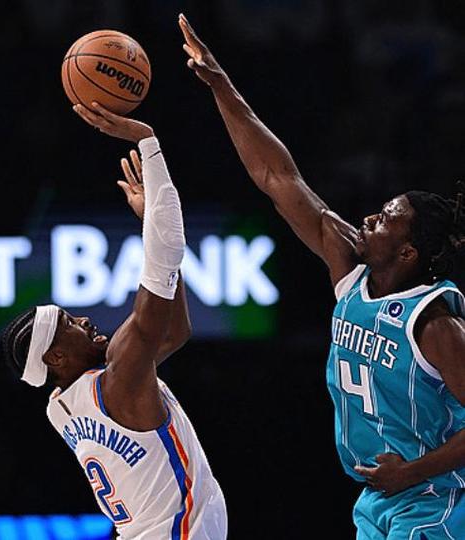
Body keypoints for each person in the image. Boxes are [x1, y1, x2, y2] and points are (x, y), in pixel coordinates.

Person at [177, 12, 465, 540]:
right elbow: (276, 176)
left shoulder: (436, 324)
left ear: (407, 253)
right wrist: (222, 86)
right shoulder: (351, 271)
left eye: (386, 219)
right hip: (378, 501)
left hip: (436, 500)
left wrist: (413, 472)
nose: (369, 218)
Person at [2, 103, 228, 540]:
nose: (84, 319)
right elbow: (165, 255)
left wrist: (151, 229)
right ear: (56, 356)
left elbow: (175, 331)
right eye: (69, 322)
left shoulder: (60, 406)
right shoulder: (119, 376)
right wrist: (148, 142)